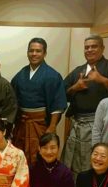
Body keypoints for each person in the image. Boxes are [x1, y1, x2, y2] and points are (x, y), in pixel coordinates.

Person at [62, 35, 108, 177]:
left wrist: (102, 80)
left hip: (101, 125)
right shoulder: (78, 70)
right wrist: (75, 87)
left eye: (94, 46)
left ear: (102, 48)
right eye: (87, 47)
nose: (89, 50)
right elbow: (62, 95)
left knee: (95, 161)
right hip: (77, 123)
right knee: (73, 161)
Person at [11, 38, 67, 166]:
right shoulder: (21, 74)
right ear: (27, 53)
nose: (34, 54)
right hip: (22, 124)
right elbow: (12, 98)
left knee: (41, 155)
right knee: (21, 156)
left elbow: (57, 103)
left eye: (38, 51)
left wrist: (52, 127)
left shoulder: (52, 75)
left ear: (44, 53)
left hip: (41, 124)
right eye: (31, 51)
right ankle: (23, 183)